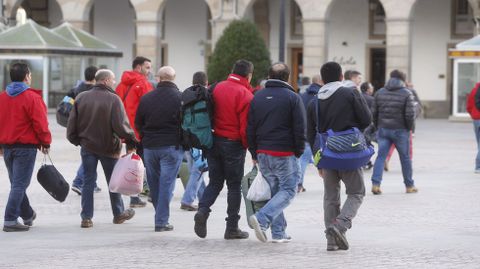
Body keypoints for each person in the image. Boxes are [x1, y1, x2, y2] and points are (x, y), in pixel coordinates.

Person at [306, 62, 371, 251]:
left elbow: (311, 134)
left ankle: (331, 241)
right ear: (342, 76)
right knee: (357, 192)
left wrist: (318, 162)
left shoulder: (314, 101)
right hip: (349, 152)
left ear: (322, 79)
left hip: (327, 155)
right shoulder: (350, 93)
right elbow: (367, 119)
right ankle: (340, 225)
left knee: (330, 197)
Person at [67, 69, 137, 228]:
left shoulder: (81, 97)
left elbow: (72, 125)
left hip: (87, 146)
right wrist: (132, 140)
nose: (114, 82)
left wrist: (77, 141)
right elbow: (121, 127)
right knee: (114, 182)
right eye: (113, 80)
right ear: (105, 80)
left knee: (88, 182)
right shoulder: (113, 99)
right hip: (109, 147)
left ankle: (86, 218)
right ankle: (118, 214)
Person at [194, 59, 254, 240]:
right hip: (233, 143)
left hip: (214, 141)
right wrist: (247, 146)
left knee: (215, 182)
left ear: (232, 70)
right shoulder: (245, 95)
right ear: (249, 75)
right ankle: (232, 227)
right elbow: (245, 128)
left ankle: (203, 211)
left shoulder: (216, 87)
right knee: (234, 186)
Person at [247, 62, 305, 243]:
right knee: (288, 190)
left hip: (263, 151)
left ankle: (279, 233)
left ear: (269, 75)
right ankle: (262, 218)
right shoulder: (292, 97)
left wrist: (254, 153)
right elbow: (299, 127)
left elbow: (250, 127)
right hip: (284, 152)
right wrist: (299, 150)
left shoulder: (258, 97)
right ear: (287, 77)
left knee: (275, 192)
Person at [0, 62, 52, 232]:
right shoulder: (32, 98)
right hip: (25, 148)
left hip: (7, 147)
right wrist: (45, 142)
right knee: (19, 184)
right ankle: (10, 220)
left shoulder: (2, 97)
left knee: (16, 182)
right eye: (29, 74)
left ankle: (28, 214)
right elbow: (40, 123)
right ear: (26, 76)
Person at [135, 66, 184, 232]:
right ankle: (161, 221)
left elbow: (138, 123)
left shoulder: (146, 98)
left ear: (158, 78)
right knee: (166, 184)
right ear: (173, 78)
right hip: (172, 146)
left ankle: (160, 216)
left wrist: (145, 136)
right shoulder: (181, 98)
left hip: (150, 147)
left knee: (154, 184)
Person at [370, 70, 417, 195]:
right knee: (405, 158)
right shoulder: (407, 93)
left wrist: (377, 126)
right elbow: (410, 115)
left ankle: (376, 184)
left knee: (381, 157)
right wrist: (409, 128)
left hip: (383, 129)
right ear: (403, 80)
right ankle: (409, 185)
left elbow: (373, 113)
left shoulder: (380, 92)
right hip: (401, 130)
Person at [115, 56, 153, 208]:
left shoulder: (121, 85)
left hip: (126, 130)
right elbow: (150, 107)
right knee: (145, 164)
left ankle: (134, 197)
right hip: (140, 131)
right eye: (147, 67)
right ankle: (148, 193)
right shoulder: (143, 84)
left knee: (132, 163)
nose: (149, 71)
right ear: (138, 67)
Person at [68, 66, 102, 195]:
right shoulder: (96, 91)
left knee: (90, 157)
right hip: (92, 129)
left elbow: (67, 106)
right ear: (95, 77)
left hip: (79, 128)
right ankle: (78, 182)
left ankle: (93, 184)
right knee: (91, 156)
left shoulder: (76, 89)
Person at [180, 71, 208, 211]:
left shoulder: (185, 94)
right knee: (200, 170)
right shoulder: (206, 95)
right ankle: (187, 200)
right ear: (206, 82)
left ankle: (203, 200)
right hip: (202, 140)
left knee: (196, 170)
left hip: (188, 139)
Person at [297, 74, 322, 192]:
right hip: (316, 131)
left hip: (303, 130)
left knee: (303, 158)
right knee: (305, 159)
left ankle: (298, 183)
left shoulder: (302, 95)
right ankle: (298, 184)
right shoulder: (321, 96)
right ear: (321, 81)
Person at [360, 82, 375, 170]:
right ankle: (365, 162)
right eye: (371, 87)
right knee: (367, 144)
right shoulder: (371, 99)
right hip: (368, 125)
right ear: (368, 89)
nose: (372, 89)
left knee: (362, 143)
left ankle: (366, 162)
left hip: (358, 126)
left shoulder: (358, 97)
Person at [467, 82, 480, 173]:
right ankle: (478, 166)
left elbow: (469, 106)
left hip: (476, 119)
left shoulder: (474, 90)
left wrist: (474, 115)